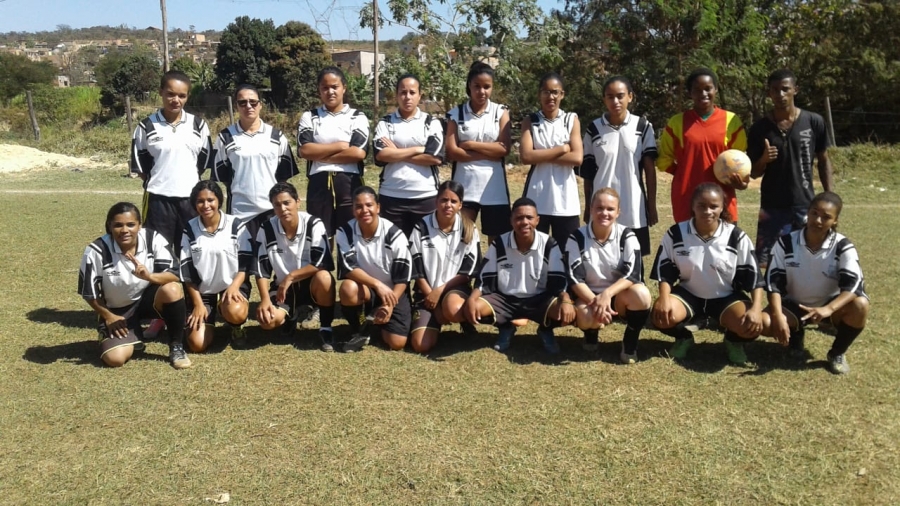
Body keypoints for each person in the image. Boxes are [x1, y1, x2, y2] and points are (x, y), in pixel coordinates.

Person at [651, 183, 765, 365]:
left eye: (714, 206)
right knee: (660, 316)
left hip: (725, 296)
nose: (707, 211)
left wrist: (756, 309)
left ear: (722, 208)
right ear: (693, 206)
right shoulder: (676, 233)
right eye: (701, 205)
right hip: (689, 294)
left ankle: (733, 341)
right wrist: (663, 299)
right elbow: (665, 273)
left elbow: (754, 278)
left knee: (755, 324)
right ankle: (684, 338)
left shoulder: (736, 237)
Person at [762, 192, 868, 374]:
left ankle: (837, 353)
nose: (818, 220)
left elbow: (854, 284)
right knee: (765, 323)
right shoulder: (786, 242)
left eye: (826, 217)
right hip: (793, 305)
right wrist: (778, 315)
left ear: (835, 221)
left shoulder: (842, 246)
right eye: (814, 213)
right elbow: (773, 283)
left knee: (860, 305)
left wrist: (829, 309)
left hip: (829, 308)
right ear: (808, 213)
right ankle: (796, 334)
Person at [78, 202, 191, 369]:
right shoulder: (96, 250)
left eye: (131, 224)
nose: (125, 230)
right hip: (117, 311)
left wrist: (149, 276)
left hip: (147, 301)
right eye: (118, 225)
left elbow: (175, 273)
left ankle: (176, 346)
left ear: (139, 225)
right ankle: (131, 335)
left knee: (172, 289)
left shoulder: (153, 239)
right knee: (115, 359)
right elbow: (89, 293)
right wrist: (108, 316)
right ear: (110, 226)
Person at [748, 69, 834, 268]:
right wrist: (763, 159)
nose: (780, 94)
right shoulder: (760, 128)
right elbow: (754, 172)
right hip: (773, 205)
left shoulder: (813, 121)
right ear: (769, 93)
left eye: (785, 89)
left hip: (805, 204)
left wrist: (829, 195)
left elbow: (823, 159)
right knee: (768, 262)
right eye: (775, 90)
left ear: (795, 90)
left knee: (808, 257)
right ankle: (774, 290)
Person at [465, 197, 572, 354]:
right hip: (505, 300)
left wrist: (566, 300)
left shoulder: (549, 244)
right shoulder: (499, 243)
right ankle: (505, 327)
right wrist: (472, 299)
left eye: (529, 217)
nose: (524, 222)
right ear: (511, 220)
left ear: (537, 220)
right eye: (519, 218)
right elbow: (485, 279)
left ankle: (546, 329)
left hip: (539, 300)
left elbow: (559, 280)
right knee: (474, 308)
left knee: (568, 310)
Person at [565, 188, 651, 364]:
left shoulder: (627, 236)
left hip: (618, 297)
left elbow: (633, 273)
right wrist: (598, 303)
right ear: (591, 209)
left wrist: (607, 294)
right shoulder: (576, 237)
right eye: (599, 208)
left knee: (642, 295)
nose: (604, 213)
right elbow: (574, 278)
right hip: (589, 296)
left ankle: (630, 342)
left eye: (610, 209)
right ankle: (591, 333)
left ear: (618, 212)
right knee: (585, 316)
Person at [131, 70, 212, 250]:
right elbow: (142, 166)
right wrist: (161, 180)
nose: (176, 100)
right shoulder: (146, 126)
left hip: (190, 200)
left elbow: (202, 163)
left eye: (182, 96)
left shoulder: (199, 125)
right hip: (157, 200)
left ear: (187, 96)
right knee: (158, 251)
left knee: (191, 251)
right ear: (161, 92)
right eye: (170, 94)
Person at [251, 182, 337, 352]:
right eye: (277, 205)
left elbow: (322, 262)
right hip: (283, 289)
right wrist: (265, 299)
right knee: (267, 322)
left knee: (324, 277)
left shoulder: (313, 224)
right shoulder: (267, 228)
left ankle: (326, 328)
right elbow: (261, 269)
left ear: (298, 202)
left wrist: (291, 277)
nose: (282, 209)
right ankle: (290, 316)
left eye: (287, 203)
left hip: (311, 284)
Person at [580, 76, 658, 258]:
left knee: (634, 260)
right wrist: (588, 206)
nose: (615, 101)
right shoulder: (594, 129)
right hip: (602, 206)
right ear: (604, 99)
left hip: (634, 206)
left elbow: (649, 170)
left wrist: (651, 205)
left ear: (630, 96)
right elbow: (588, 174)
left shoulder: (642, 126)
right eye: (610, 96)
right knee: (601, 256)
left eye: (620, 96)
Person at [657, 68, 748, 224]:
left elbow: (741, 160)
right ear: (690, 93)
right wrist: (683, 172)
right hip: (687, 198)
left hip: (722, 199)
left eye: (708, 88)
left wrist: (740, 181)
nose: (703, 93)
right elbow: (663, 160)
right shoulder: (676, 123)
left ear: (716, 89)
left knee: (725, 239)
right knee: (688, 239)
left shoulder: (731, 121)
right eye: (697, 90)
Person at [212, 84, 298, 244]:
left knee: (273, 257)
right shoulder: (225, 137)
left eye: (253, 102)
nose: (248, 106)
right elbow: (223, 177)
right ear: (236, 106)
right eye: (242, 102)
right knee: (243, 258)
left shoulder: (277, 136)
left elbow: (283, 177)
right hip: (240, 212)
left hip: (272, 210)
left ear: (260, 105)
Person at [336, 186, 413, 352]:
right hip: (367, 289)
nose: (364, 210)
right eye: (358, 206)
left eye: (369, 205)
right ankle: (360, 330)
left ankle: (377, 323)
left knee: (397, 343)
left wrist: (389, 305)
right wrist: (377, 285)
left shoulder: (394, 235)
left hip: (393, 291)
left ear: (378, 207)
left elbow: (403, 278)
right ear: (353, 210)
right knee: (348, 288)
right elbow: (349, 268)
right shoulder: (344, 232)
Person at [408, 181, 482, 353]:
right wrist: (431, 297)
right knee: (420, 345)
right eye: (444, 200)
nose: (448, 205)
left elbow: (468, 272)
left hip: (454, 289)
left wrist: (440, 291)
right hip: (426, 293)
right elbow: (416, 269)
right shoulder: (421, 227)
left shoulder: (469, 229)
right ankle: (434, 319)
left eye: (453, 201)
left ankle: (463, 320)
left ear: (460, 205)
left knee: (453, 309)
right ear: (436, 201)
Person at [297, 66, 370, 238]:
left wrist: (320, 155)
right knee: (320, 237)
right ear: (319, 91)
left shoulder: (357, 117)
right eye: (325, 87)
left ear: (344, 88)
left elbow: (358, 153)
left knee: (351, 236)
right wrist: (340, 146)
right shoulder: (310, 116)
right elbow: (305, 150)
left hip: (349, 182)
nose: (330, 92)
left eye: (335, 87)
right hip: (319, 184)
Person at [179, 181, 250, 352]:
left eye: (210, 200)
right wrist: (198, 304)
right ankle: (208, 318)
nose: (206, 205)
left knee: (236, 312)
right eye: (200, 201)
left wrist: (234, 286)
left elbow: (245, 264)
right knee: (197, 344)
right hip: (203, 291)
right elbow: (187, 273)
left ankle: (235, 325)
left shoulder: (236, 225)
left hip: (231, 287)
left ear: (219, 200)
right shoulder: (189, 229)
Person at [445, 62, 512, 240]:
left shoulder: (500, 112)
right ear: (469, 85)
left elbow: (504, 148)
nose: (482, 91)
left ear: (492, 87)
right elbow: (451, 151)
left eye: (486, 87)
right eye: (477, 86)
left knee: (498, 243)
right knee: (463, 238)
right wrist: (491, 153)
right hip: (465, 186)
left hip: (495, 189)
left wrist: (470, 145)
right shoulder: (456, 114)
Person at [373, 74, 444, 237]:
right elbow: (381, 155)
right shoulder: (386, 122)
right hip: (391, 195)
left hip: (425, 195)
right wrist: (419, 149)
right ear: (397, 95)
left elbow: (434, 158)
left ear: (420, 95)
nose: (407, 97)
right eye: (403, 92)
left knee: (425, 246)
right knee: (393, 246)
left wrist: (396, 151)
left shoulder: (431, 122)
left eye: (412, 92)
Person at [520, 73, 584, 249]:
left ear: (562, 94)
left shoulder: (570, 120)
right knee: (534, 250)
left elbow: (577, 158)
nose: (551, 96)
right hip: (537, 197)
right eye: (546, 92)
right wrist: (561, 149)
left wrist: (540, 154)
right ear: (539, 94)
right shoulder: (531, 121)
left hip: (566, 200)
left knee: (568, 252)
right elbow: (526, 156)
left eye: (555, 92)